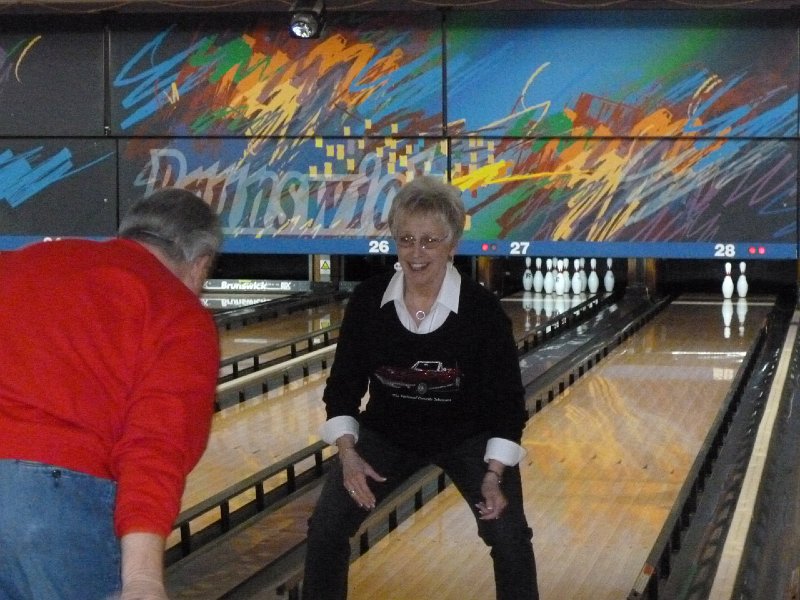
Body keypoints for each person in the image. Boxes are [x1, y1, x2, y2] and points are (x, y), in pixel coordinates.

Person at [302, 176, 538, 599]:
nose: (416, 253)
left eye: (430, 241)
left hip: (468, 436)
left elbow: (507, 404)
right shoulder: (369, 302)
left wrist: (494, 474)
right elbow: (343, 388)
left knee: (509, 536)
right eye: (406, 239)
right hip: (388, 433)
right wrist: (348, 454)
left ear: (452, 245)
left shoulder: (482, 312)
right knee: (326, 526)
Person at [0, 188, 222, 600]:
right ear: (201, 264)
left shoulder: (21, 261)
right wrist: (143, 579)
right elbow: (156, 445)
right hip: (50, 507)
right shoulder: (179, 311)